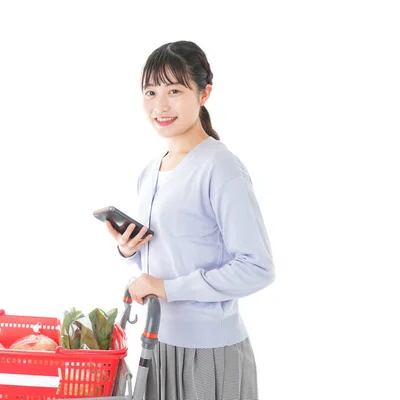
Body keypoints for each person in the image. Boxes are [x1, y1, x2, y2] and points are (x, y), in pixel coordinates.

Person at [104, 41, 275, 400]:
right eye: (150, 92)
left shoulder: (221, 167)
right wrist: (129, 250)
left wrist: (167, 288)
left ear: (204, 93)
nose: (160, 105)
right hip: (156, 345)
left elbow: (257, 267)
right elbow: (172, 254)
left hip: (210, 354)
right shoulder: (150, 171)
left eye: (175, 90)